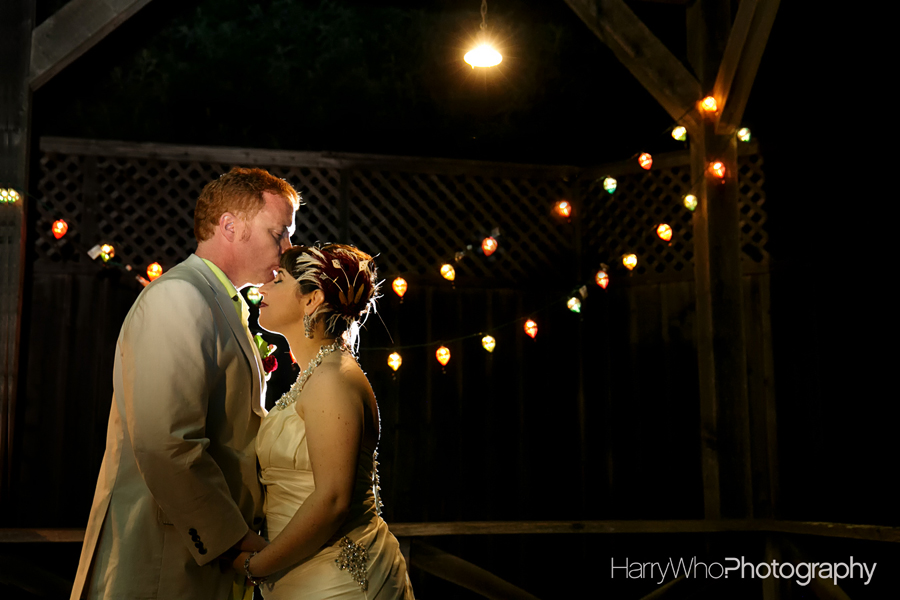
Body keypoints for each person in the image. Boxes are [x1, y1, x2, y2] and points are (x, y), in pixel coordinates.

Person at [70, 167, 301, 600]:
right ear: (230, 226)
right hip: (164, 563)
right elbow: (166, 442)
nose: (288, 249)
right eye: (280, 234)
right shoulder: (179, 298)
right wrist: (232, 543)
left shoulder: (222, 301)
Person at [234, 244, 414, 599]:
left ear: (312, 299)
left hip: (337, 582)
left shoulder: (333, 379)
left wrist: (254, 566)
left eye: (279, 280)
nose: (263, 289)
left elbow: (332, 500)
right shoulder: (315, 374)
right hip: (299, 573)